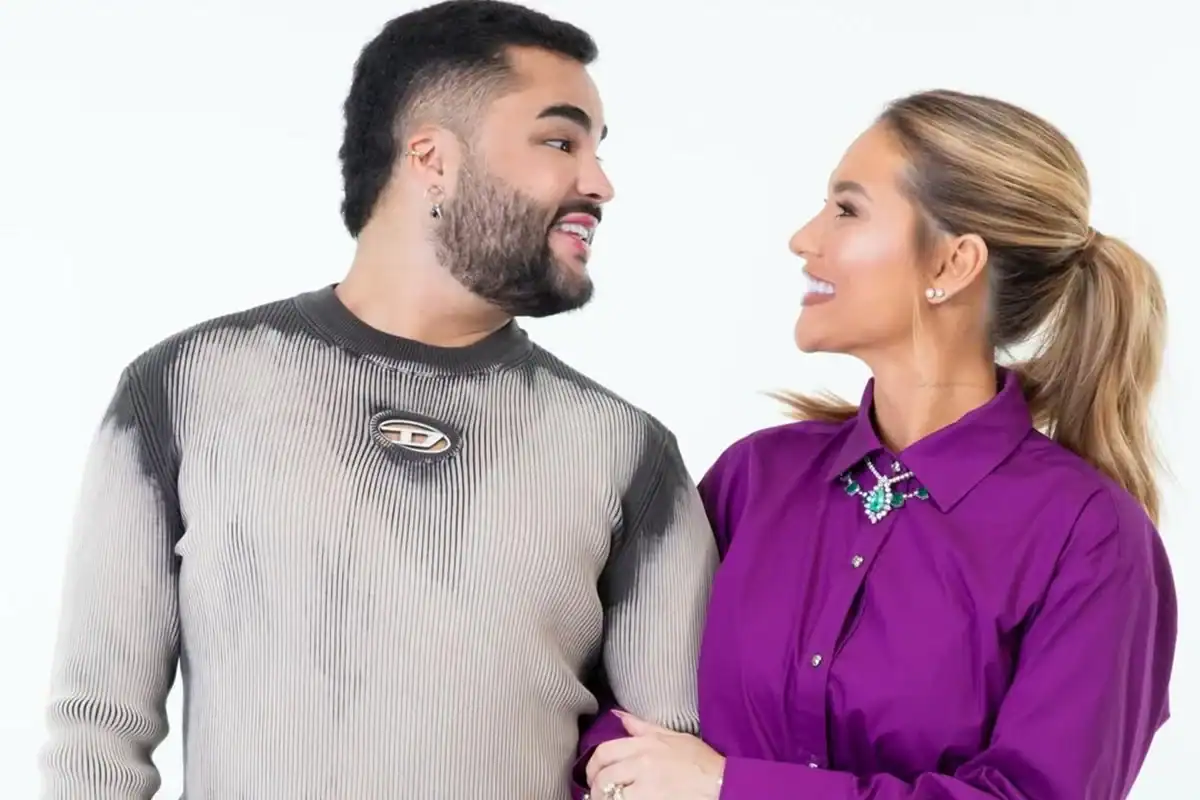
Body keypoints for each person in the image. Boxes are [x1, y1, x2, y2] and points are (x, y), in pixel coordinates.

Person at [39, 2, 717, 797]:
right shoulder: (188, 387)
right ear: (432, 157)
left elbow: (667, 763)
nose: (599, 183)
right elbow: (96, 739)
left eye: (598, 149)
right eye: (561, 142)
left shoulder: (628, 451)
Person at [584, 90, 1176, 799]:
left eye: (847, 209)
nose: (804, 239)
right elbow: (613, 696)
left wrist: (729, 787)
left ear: (951, 265)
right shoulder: (756, 477)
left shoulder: (1090, 537)